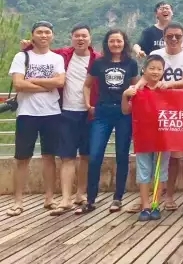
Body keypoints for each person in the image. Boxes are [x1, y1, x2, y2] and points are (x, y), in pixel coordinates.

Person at [21, 23, 100, 214]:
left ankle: (80, 193)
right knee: (67, 157)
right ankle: (65, 198)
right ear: (71, 38)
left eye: (84, 36)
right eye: (77, 36)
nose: (80, 39)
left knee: (86, 156)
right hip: (66, 112)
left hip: (90, 113)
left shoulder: (98, 59)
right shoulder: (63, 55)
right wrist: (28, 46)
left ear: (90, 39)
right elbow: (43, 51)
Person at [6, 21, 66, 217]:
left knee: (49, 157)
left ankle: (49, 198)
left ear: (52, 36)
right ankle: (18, 201)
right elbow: (18, 84)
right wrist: (46, 86)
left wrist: (31, 80)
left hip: (51, 113)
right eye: (39, 32)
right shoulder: (22, 56)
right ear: (32, 35)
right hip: (27, 113)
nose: (43, 35)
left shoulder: (57, 58)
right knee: (22, 158)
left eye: (47, 32)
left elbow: (60, 82)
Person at [77, 29, 138, 214]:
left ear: (124, 43)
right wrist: (88, 105)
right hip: (102, 111)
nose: (116, 44)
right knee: (95, 155)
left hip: (123, 112)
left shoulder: (131, 63)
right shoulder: (99, 63)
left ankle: (118, 198)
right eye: (112, 41)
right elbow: (87, 85)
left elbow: (136, 87)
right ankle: (90, 199)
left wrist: (132, 106)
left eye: (119, 41)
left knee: (122, 155)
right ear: (107, 43)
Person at [149, 23, 183, 212]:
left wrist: (167, 85)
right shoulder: (156, 54)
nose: (174, 39)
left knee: (176, 156)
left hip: (179, 111)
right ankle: (153, 195)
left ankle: (169, 195)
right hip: (156, 110)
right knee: (156, 154)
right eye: (170, 36)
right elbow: (148, 78)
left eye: (178, 36)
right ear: (164, 37)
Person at [121, 55, 170, 221]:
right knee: (144, 171)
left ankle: (156, 204)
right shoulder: (136, 90)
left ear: (163, 71)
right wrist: (125, 95)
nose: (155, 72)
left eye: (159, 69)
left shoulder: (167, 89)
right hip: (143, 136)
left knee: (160, 171)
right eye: (152, 68)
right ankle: (145, 205)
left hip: (163, 137)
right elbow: (125, 110)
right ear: (144, 70)